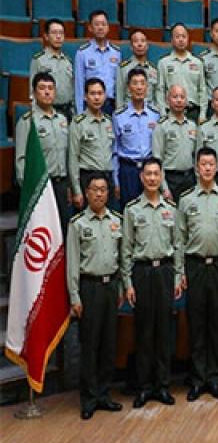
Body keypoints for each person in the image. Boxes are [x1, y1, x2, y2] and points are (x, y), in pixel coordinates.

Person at [120, 157, 182, 409]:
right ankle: (145, 387)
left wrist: (178, 276)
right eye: (148, 174)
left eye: (157, 174)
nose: (153, 178)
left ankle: (163, 386)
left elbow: (178, 245)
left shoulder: (171, 209)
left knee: (164, 331)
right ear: (141, 177)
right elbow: (126, 249)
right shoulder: (132, 209)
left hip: (165, 272)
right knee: (145, 332)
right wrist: (128, 283)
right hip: (142, 273)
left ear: (161, 176)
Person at [177, 147, 218, 402]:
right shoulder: (186, 200)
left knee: (217, 322)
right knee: (197, 322)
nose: (208, 168)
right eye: (203, 164)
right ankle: (198, 378)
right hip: (195, 266)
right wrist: (180, 271)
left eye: (211, 164)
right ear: (196, 168)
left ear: (216, 166)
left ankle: (214, 377)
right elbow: (179, 239)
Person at [66, 172, 123, 420]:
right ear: (86, 193)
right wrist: (74, 296)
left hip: (111, 287)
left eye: (103, 189)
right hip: (89, 288)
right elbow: (72, 264)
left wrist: (121, 288)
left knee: (109, 344)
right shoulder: (77, 224)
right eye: (94, 189)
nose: (99, 193)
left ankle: (103, 393)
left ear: (108, 193)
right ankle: (88, 398)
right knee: (90, 345)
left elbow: (122, 259)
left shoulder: (117, 221)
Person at [15, 72, 70, 229]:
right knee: (43, 233)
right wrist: (29, 189)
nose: (47, 92)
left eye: (50, 88)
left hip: (61, 184)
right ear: (34, 93)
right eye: (42, 88)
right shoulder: (27, 121)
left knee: (62, 230)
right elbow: (21, 160)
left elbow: (68, 155)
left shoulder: (62, 120)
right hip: (41, 186)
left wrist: (70, 186)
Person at [113, 68, 160, 207]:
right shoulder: (119, 116)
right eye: (135, 83)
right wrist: (116, 180)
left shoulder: (155, 115)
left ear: (147, 87)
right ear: (128, 88)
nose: (139, 87)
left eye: (142, 83)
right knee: (129, 210)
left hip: (149, 170)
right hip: (128, 170)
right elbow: (114, 150)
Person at [68, 78, 116, 209]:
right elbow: (73, 158)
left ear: (105, 96)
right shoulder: (78, 123)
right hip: (87, 179)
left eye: (100, 93)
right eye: (92, 93)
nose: (96, 98)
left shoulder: (109, 122)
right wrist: (76, 190)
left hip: (107, 179)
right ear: (85, 96)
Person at [151, 84, 197, 203]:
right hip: (170, 179)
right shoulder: (161, 126)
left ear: (186, 100)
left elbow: (197, 157)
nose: (179, 100)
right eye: (175, 97)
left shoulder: (193, 126)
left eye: (182, 97)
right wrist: (164, 188)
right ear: (167, 100)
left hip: (190, 179)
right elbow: (157, 160)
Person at [156, 23, 206, 124]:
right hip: (170, 113)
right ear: (172, 40)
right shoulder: (163, 63)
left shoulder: (197, 62)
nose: (181, 40)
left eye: (184, 36)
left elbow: (202, 89)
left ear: (188, 39)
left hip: (193, 112)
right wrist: (162, 113)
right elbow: (160, 90)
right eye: (177, 37)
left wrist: (203, 113)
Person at [74, 10, 121, 115]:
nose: (100, 27)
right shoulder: (82, 53)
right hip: (90, 105)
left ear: (108, 27)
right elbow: (79, 85)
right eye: (97, 24)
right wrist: (80, 112)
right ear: (90, 28)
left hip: (111, 105)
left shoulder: (116, 52)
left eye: (104, 24)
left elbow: (119, 84)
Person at [30, 18, 74, 119]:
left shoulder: (68, 61)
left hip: (67, 112)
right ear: (46, 36)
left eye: (61, 33)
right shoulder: (38, 60)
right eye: (54, 33)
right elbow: (32, 91)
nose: (58, 36)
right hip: (47, 111)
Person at [115, 30, 158, 111]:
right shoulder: (123, 68)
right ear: (131, 47)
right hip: (129, 112)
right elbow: (119, 96)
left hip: (149, 113)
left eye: (143, 41)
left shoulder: (153, 70)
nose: (139, 44)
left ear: (147, 46)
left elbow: (156, 97)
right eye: (135, 41)